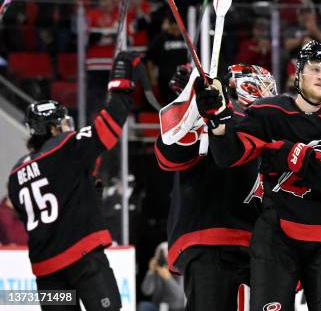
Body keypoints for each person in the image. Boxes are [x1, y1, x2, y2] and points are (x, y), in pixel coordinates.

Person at [200, 40, 321, 310]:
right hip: (277, 238)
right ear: (298, 73)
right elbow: (230, 154)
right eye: (315, 69)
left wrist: (297, 157)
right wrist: (219, 120)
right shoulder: (270, 113)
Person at [8, 51, 139, 310]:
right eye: (63, 124)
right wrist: (122, 89)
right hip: (82, 260)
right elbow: (107, 127)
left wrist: (85, 195)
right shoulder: (65, 146)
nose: (68, 127)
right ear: (54, 128)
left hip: (46, 273)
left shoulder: (14, 175)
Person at [154, 63, 277, 310]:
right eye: (264, 89)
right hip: (213, 238)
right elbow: (168, 155)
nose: (270, 96)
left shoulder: (267, 131)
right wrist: (189, 105)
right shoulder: (209, 122)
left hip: (257, 246)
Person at [139, 242, 185, 311]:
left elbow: (179, 296)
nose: (164, 262)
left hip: (175, 308)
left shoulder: (179, 270)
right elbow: (147, 291)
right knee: (143, 306)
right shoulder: (157, 270)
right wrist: (151, 272)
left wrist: (168, 278)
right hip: (158, 307)